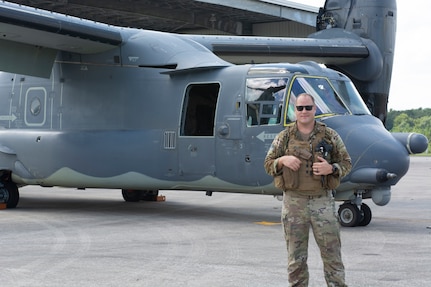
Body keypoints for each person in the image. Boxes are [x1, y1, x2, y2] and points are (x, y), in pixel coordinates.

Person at [264, 93, 352, 287]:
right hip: (294, 203)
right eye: (300, 108)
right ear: (295, 111)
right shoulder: (285, 137)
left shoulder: (329, 135)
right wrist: (282, 160)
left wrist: (332, 169)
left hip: (323, 202)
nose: (304, 111)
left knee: (332, 257)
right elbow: (268, 164)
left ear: (315, 109)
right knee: (296, 260)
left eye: (308, 108)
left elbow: (346, 162)